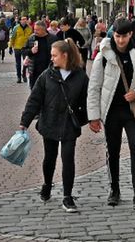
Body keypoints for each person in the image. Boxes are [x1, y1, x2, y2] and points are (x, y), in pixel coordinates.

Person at [87, 18, 135, 210]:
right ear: (113, 34)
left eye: (124, 36)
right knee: (113, 151)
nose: (120, 40)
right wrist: (93, 116)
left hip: (133, 110)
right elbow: (94, 87)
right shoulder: (103, 55)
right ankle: (114, 189)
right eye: (117, 36)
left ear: (130, 35)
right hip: (111, 111)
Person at [20, 38, 89, 213]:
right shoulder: (46, 75)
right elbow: (34, 100)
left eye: (54, 55)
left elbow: (88, 100)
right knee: (49, 158)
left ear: (65, 55)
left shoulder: (80, 76)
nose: (52, 59)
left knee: (68, 159)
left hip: (69, 125)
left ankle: (67, 196)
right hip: (49, 122)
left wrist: (87, 119)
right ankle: (47, 184)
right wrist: (24, 123)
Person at [27, 21, 54, 89]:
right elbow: (24, 50)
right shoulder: (31, 38)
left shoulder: (52, 39)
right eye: (34, 29)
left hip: (48, 70)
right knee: (34, 91)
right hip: (34, 70)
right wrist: (31, 51)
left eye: (37, 30)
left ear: (44, 29)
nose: (35, 31)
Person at [11, 19, 32, 83]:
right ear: (20, 21)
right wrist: (10, 46)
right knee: (18, 63)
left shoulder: (29, 28)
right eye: (23, 20)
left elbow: (31, 37)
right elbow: (12, 37)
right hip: (17, 47)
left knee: (25, 63)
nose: (24, 21)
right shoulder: (16, 27)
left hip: (26, 48)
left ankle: (24, 75)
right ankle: (19, 77)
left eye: (25, 19)